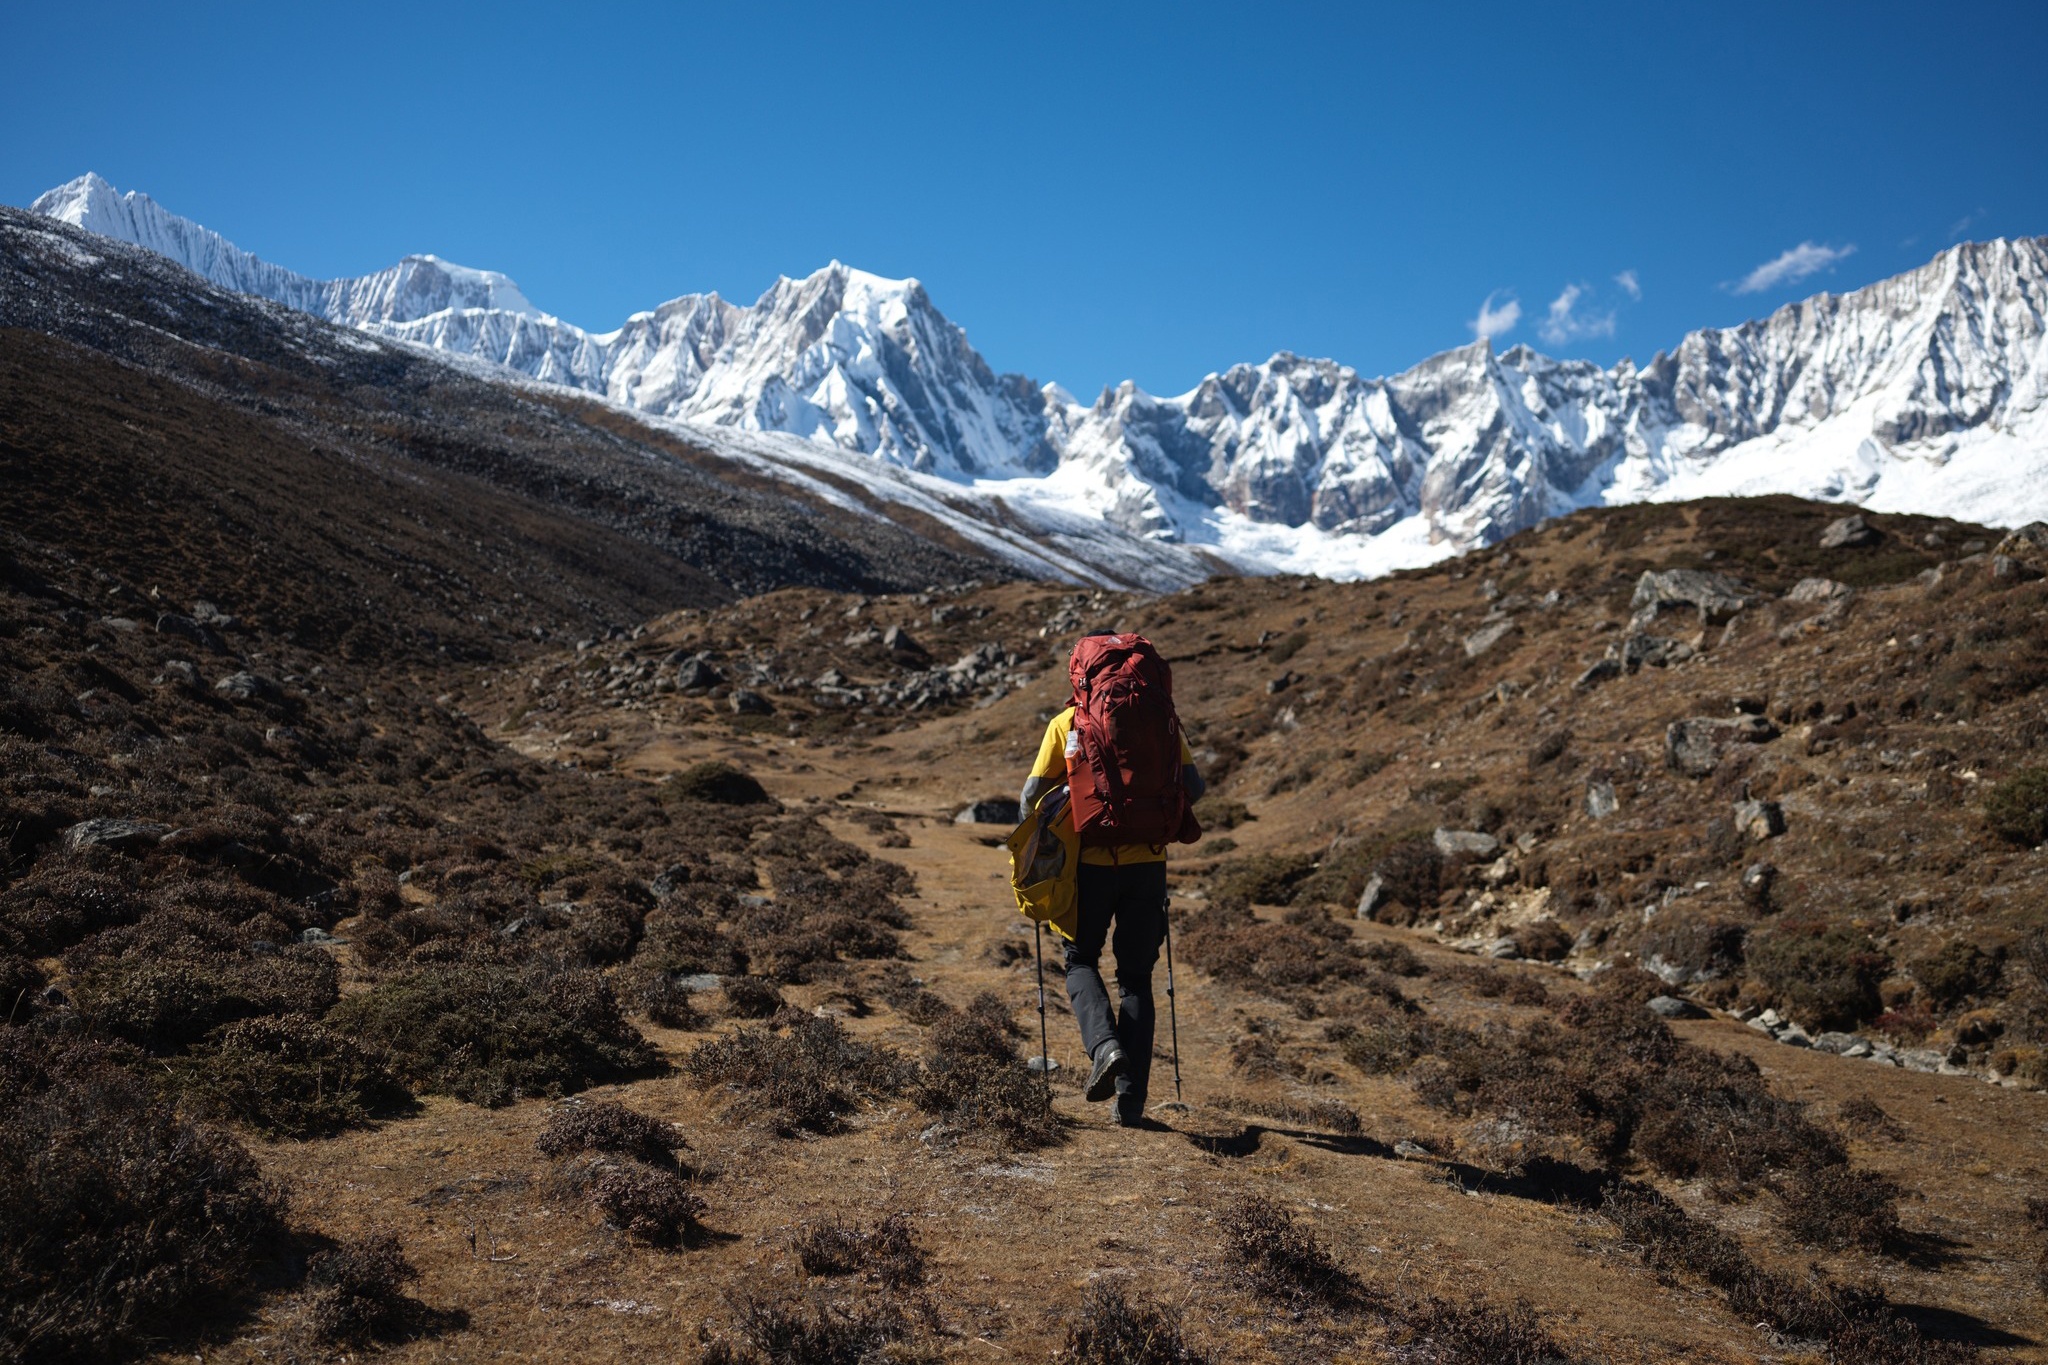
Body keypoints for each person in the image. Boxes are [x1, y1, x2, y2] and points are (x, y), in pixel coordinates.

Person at [1019, 633, 1204, 1128]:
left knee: (1080, 959)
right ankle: (1132, 1103)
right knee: (1137, 978)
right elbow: (1195, 787)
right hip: (1148, 864)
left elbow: (1030, 799)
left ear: (1081, 677)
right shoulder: (1164, 722)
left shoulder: (1067, 723)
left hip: (1090, 867)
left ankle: (1104, 1047)